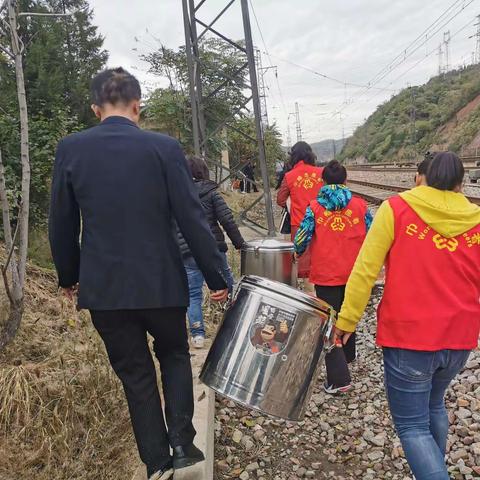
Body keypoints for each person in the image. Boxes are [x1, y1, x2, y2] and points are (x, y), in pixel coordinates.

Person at [49, 67, 228, 480]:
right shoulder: (164, 149)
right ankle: (183, 442)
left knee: (135, 374)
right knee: (175, 354)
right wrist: (216, 276)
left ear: (96, 108)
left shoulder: (70, 149)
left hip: (105, 290)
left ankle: (156, 463)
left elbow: (60, 222)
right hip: (162, 282)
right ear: (137, 106)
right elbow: (192, 218)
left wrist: (68, 276)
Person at [334, 152, 480, 479]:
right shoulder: (477, 219)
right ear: (460, 184)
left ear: (420, 177)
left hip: (410, 338)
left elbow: (365, 270)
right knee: (434, 404)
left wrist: (347, 321)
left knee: (413, 426)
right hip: (459, 339)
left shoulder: (397, 209)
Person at [294, 160, 372, 394]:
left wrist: (296, 253)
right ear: (346, 181)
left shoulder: (315, 207)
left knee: (330, 321)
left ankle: (339, 379)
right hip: (355, 273)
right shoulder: (360, 206)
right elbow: (373, 234)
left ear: (323, 182)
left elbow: (302, 238)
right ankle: (347, 358)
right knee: (348, 313)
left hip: (326, 273)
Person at [177, 156, 245, 348]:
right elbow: (227, 221)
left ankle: (197, 334)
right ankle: (235, 323)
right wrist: (239, 244)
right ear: (203, 172)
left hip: (187, 252)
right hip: (213, 249)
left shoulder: (178, 194)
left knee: (193, 294)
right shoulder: (211, 192)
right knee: (228, 285)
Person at [277, 141, 323, 283]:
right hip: (321, 222)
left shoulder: (289, 176)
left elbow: (280, 200)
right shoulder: (321, 173)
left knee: (303, 264)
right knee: (321, 259)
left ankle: (307, 296)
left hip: (299, 224)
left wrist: (293, 205)